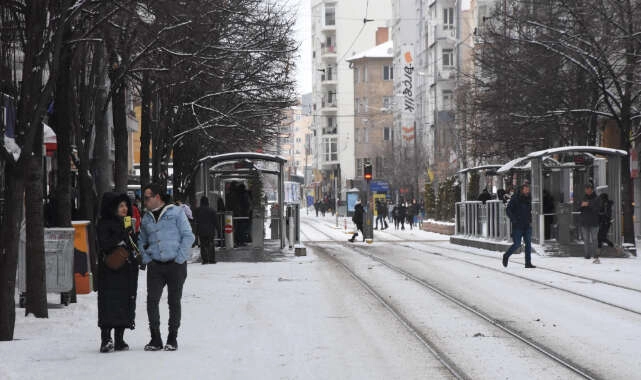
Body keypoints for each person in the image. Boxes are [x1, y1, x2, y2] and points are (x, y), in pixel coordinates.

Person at [139, 183, 195, 351]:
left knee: (174, 301)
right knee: (152, 301)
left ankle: (172, 337)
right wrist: (147, 259)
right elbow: (141, 241)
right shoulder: (146, 217)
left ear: (158, 197)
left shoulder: (176, 212)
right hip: (155, 265)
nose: (145, 201)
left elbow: (188, 236)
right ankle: (155, 337)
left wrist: (180, 259)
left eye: (147, 197)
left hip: (175, 265)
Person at [97, 192, 140, 353]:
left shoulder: (128, 222)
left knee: (124, 302)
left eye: (126, 205)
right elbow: (104, 244)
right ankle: (106, 338)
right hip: (110, 270)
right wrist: (122, 234)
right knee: (109, 302)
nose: (125, 208)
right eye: (121, 206)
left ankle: (119, 338)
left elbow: (132, 242)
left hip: (127, 270)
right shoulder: (105, 223)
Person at [502, 183, 536, 268]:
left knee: (528, 244)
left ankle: (528, 263)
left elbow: (531, 210)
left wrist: (530, 219)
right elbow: (508, 210)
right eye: (526, 189)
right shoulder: (515, 198)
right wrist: (514, 219)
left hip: (527, 224)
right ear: (522, 190)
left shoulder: (529, 198)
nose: (527, 191)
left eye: (528, 189)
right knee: (517, 244)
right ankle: (506, 256)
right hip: (518, 225)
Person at [579, 184, 601, 263]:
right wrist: (581, 205)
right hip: (584, 222)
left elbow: (598, 208)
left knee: (594, 239)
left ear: (591, 190)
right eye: (586, 189)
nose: (587, 190)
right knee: (586, 239)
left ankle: (595, 255)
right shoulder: (583, 197)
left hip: (594, 222)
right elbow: (579, 207)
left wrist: (588, 204)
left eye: (588, 189)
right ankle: (587, 254)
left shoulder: (596, 198)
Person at [194, 196, 218, 264]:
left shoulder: (197, 210)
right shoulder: (212, 210)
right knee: (210, 244)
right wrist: (218, 229)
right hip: (210, 230)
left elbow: (195, 220)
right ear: (208, 202)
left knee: (203, 245)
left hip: (201, 230)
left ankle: (205, 259)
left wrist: (196, 231)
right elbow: (215, 221)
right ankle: (211, 259)